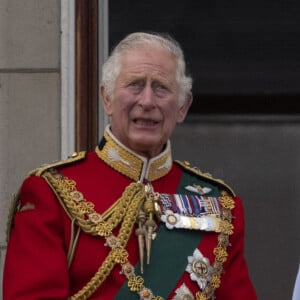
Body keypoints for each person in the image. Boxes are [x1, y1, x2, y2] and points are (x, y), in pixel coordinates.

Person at [3, 32, 257, 300]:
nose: (147, 101)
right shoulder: (53, 193)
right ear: (107, 99)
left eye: (162, 87)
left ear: (182, 106)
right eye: (135, 85)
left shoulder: (220, 207)